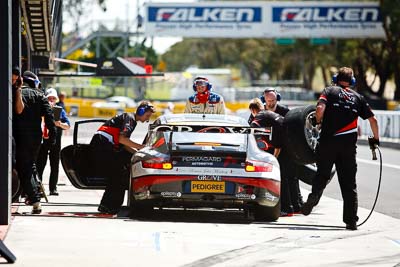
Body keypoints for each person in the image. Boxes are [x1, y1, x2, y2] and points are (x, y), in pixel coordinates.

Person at [301, 67, 380, 230]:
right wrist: (375, 141)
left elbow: (320, 109)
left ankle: (314, 196)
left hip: (328, 143)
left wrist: (318, 121)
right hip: (348, 148)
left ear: (336, 79)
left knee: (322, 175)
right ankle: (351, 221)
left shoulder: (329, 91)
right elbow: (373, 120)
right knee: (349, 184)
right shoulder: (358, 98)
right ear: (352, 82)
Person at [90, 100, 155, 214]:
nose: (148, 119)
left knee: (118, 175)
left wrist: (137, 153)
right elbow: (122, 139)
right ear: (141, 111)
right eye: (147, 115)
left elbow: (124, 144)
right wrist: (141, 147)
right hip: (102, 147)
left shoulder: (128, 119)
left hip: (103, 146)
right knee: (118, 175)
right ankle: (110, 206)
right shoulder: (130, 119)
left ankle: (107, 206)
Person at [14, 71, 56, 214]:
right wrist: (52, 139)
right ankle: (35, 197)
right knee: (30, 166)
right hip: (36, 139)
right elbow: (50, 118)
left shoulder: (16, 93)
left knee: (24, 169)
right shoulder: (40, 95)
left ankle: (35, 201)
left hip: (19, 138)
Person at [249, 98, 294, 216]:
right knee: (285, 177)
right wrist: (274, 159)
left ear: (253, 110)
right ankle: (289, 209)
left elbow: (252, 128)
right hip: (291, 143)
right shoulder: (270, 114)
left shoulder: (259, 115)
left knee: (281, 178)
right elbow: (278, 145)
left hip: (286, 145)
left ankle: (287, 209)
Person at [36, 88, 71, 196]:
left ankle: (53, 188)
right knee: (40, 165)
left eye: (53, 98)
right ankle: (39, 188)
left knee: (54, 165)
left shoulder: (60, 110)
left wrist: (59, 124)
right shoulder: (40, 109)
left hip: (55, 141)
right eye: (49, 98)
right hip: (44, 140)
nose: (51, 100)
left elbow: (68, 125)